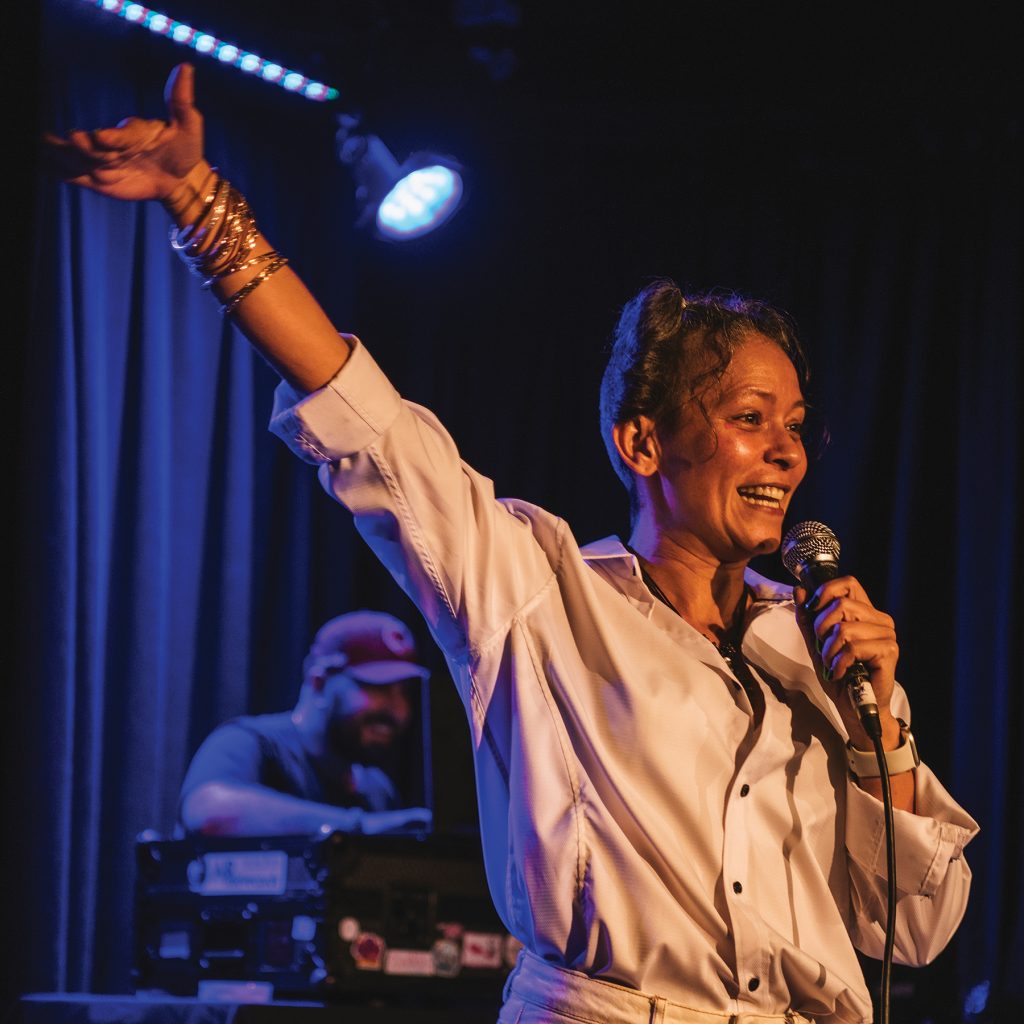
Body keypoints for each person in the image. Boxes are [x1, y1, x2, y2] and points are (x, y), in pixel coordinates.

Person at [45, 64, 978, 1024]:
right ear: (641, 441)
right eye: (749, 416)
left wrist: (884, 734)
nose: (785, 448)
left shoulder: (823, 651)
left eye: (795, 423)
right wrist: (202, 203)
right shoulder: (539, 591)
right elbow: (372, 429)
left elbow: (913, 931)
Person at [178, 609, 433, 837]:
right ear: (318, 682)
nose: (397, 709)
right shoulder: (248, 742)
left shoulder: (377, 790)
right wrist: (359, 827)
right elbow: (209, 811)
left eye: (404, 691)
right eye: (377, 687)